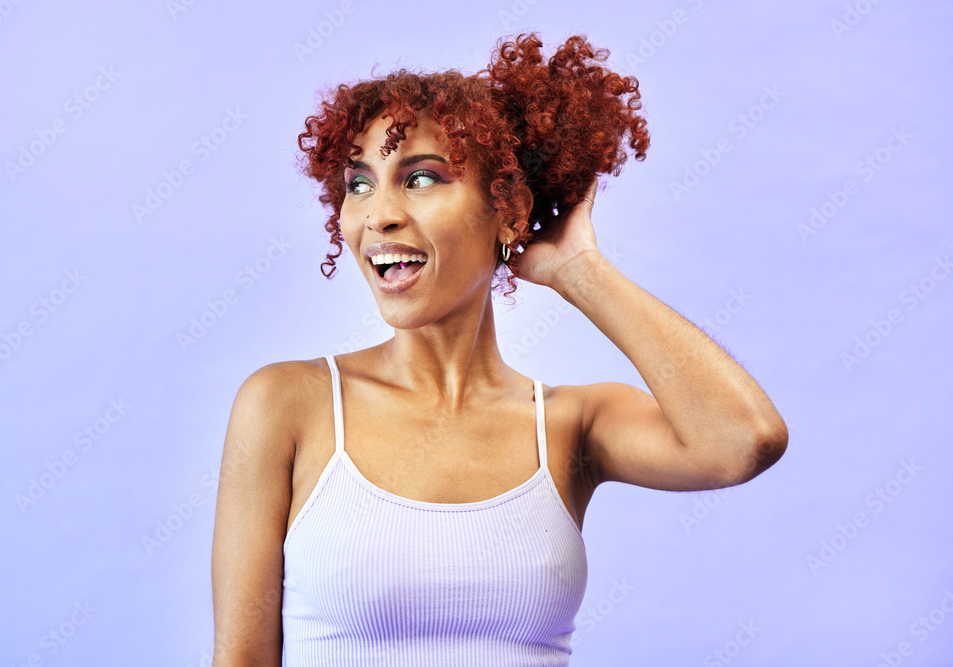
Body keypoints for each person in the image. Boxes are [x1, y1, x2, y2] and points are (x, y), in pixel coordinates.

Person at [211, 32, 788, 666]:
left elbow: (744, 441)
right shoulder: (285, 405)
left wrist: (580, 270)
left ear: (508, 209)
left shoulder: (571, 426)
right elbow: (240, 658)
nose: (379, 215)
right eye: (359, 183)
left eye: (421, 178)